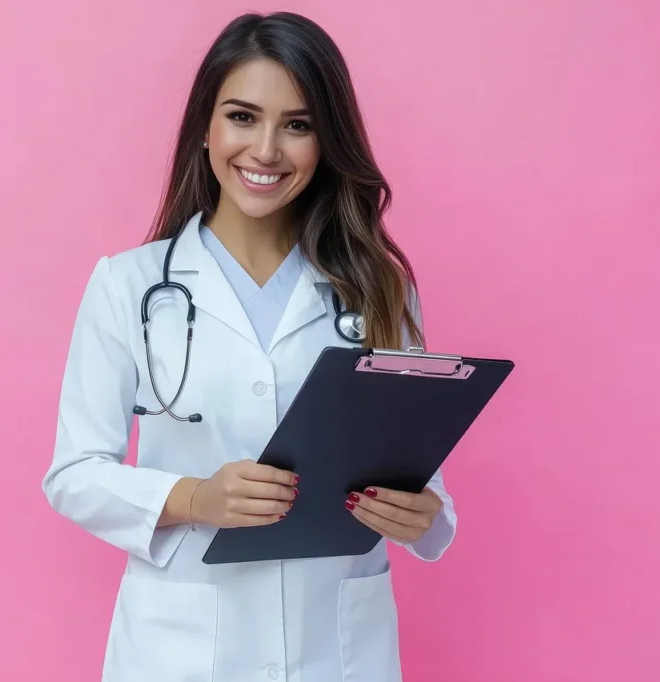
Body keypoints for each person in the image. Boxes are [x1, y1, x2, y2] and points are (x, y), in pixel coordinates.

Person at [42, 11, 457, 682]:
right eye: (242, 117)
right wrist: (193, 498)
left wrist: (420, 514)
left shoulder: (379, 288)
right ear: (204, 128)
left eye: (297, 125)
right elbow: (74, 474)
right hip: (183, 650)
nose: (266, 150)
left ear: (326, 143)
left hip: (339, 649)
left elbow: (419, 470)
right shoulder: (130, 285)